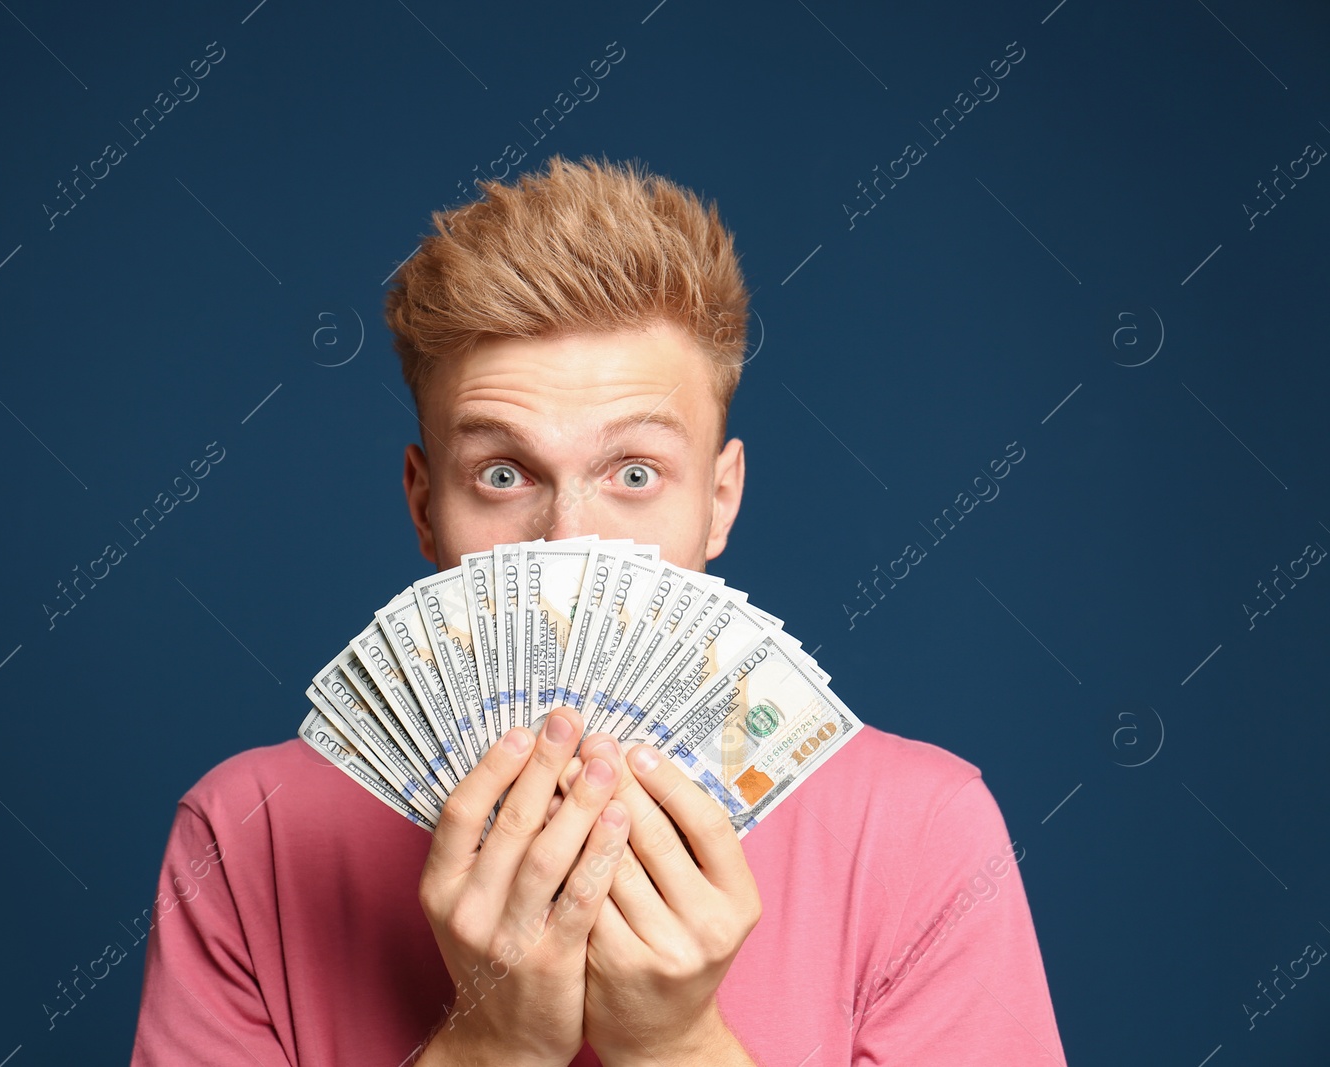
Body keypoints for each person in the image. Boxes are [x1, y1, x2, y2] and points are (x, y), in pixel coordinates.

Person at [128, 155, 1068, 1065]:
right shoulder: (246, 835)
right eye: (503, 473)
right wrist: (492, 1050)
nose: (566, 539)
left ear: (721, 498)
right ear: (424, 504)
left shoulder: (921, 831)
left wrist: (675, 1047)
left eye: (633, 472)